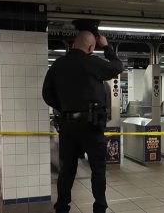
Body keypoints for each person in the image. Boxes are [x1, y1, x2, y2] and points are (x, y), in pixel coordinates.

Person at [42, 21, 124, 213]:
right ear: (90, 47)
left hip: (68, 125)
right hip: (91, 124)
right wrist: (106, 47)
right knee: (97, 168)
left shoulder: (58, 65)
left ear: (73, 44)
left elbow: (47, 94)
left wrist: (65, 108)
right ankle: (99, 209)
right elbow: (117, 66)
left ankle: (62, 208)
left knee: (67, 170)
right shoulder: (92, 62)